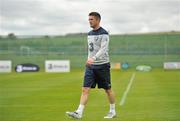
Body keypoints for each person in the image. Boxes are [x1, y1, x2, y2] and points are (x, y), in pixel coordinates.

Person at [66, 12, 116, 119]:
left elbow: (103, 49)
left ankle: (112, 111)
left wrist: (93, 58)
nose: (89, 21)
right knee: (85, 89)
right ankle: (79, 112)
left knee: (108, 90)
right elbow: (91, 49)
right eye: (89, 19)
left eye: (91, 19)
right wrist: (89, 59)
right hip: (91, 67)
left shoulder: (104, 33)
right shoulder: (89, 34)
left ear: (98, 20)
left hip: (102, 66)